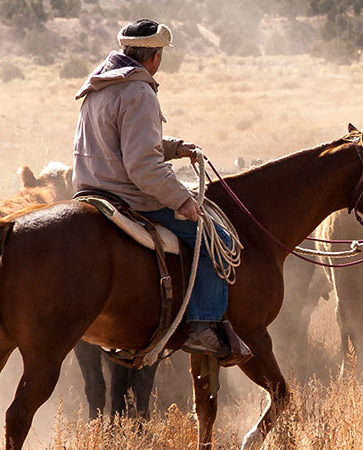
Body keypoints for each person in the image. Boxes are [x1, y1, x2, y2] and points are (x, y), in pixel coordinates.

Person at [70, 18, 250, 366]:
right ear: (154, 57)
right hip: (129, 194)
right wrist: (182, 200)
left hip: (93, 187)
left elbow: (122, 143)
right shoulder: (138, 92)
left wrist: (176, 147)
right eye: (161, 54)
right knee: (213, 237)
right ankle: (203, 326)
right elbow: (142, 167)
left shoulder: (99, 85)